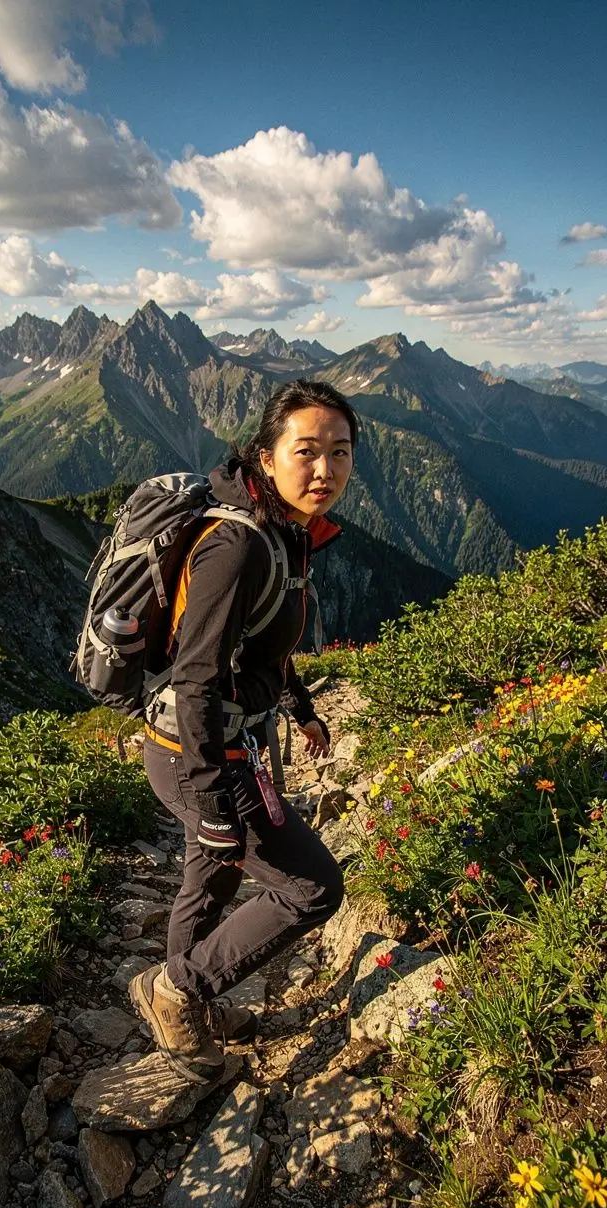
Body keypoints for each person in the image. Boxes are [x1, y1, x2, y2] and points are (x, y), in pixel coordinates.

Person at [129, 378, 357, 1083]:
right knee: (313, 886)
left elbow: (262, 643)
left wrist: (302, 705)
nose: (325, 470)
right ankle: (177, 992)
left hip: (229, 742)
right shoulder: (236, 544)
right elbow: (197, 679)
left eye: (341, 453)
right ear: (265, 453)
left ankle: (186, 1001)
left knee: (213, 878)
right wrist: (214, 804)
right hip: (200, 753)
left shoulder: (284, 529)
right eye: (307, 451)